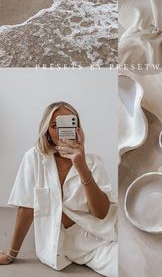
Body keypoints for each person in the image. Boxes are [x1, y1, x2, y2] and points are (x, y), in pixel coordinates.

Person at [0, 101, 117, 277]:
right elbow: (26, 208)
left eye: (70, 123)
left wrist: (82, 166)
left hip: (98, 239)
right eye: (55, 125)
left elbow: (101, 213)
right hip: (57, 243)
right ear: (47, 131)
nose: (62, 130)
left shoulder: (93, 163)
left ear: (78, 128)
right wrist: (11, 253)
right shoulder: (34, 158)